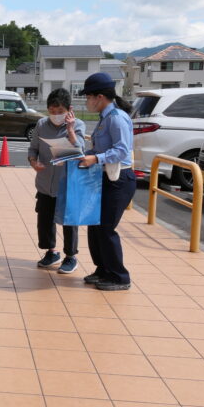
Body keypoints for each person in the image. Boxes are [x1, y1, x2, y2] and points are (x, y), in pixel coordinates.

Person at [77, 72, 136, 291]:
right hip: (105, 177)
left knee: (106, 228)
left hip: (119, 179)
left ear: (99, 97)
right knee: (95, 225)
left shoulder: (117, 118)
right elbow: (101, 148)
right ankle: (103, 269)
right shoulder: (105, 118)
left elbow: (121, 150)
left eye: (88, 97)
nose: (87, 101)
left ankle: (120, 276)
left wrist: (96, 158)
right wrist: (88, 155)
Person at [28, 88, 86, 274]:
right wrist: (33, 162)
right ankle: (51, 252)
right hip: (45, 182)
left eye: (60, 112)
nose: (55, 115)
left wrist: (69, 129)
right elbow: (33, 149)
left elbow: (80, 151)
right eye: (51, 111)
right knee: (44, 220)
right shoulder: (41, 125)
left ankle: (71, 256)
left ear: (69, 109)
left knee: (69, 221)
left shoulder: (78, 125)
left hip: (67, 184)